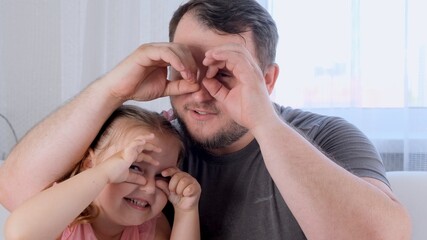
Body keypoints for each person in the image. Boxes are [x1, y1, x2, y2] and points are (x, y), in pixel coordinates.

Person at [0, 0, 411, 239]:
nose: (199, 91)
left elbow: (382, 237)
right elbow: (17, 194)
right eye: (187, 68)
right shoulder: (155, 145)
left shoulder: (324, 137)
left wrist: (263, 120)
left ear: (267, 80)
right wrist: (113, 89)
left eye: (226, 74)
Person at [4, 105, 201, 240]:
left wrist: (186, 212)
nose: (149, 187)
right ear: (90, 164)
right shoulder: (66, 216)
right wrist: (104, 174)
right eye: (133, 166)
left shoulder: (149, 228)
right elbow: (20, 234)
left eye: (161, 176)